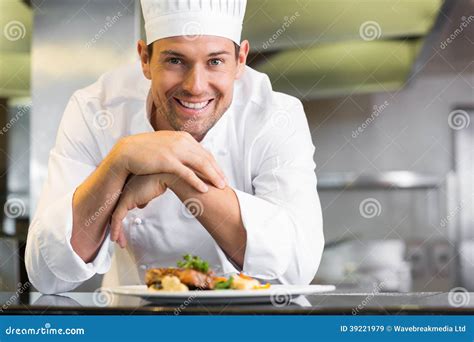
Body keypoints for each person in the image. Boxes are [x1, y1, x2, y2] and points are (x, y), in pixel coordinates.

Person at [25, 0, 324, 294]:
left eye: (215, 61)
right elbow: (48, 274)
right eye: (175, 60)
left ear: (241, 60)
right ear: (144, 59)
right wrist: (118, 163)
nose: (195, 86)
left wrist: (177, 175)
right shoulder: (96, 110)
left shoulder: (275, 116)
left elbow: (295, 270)